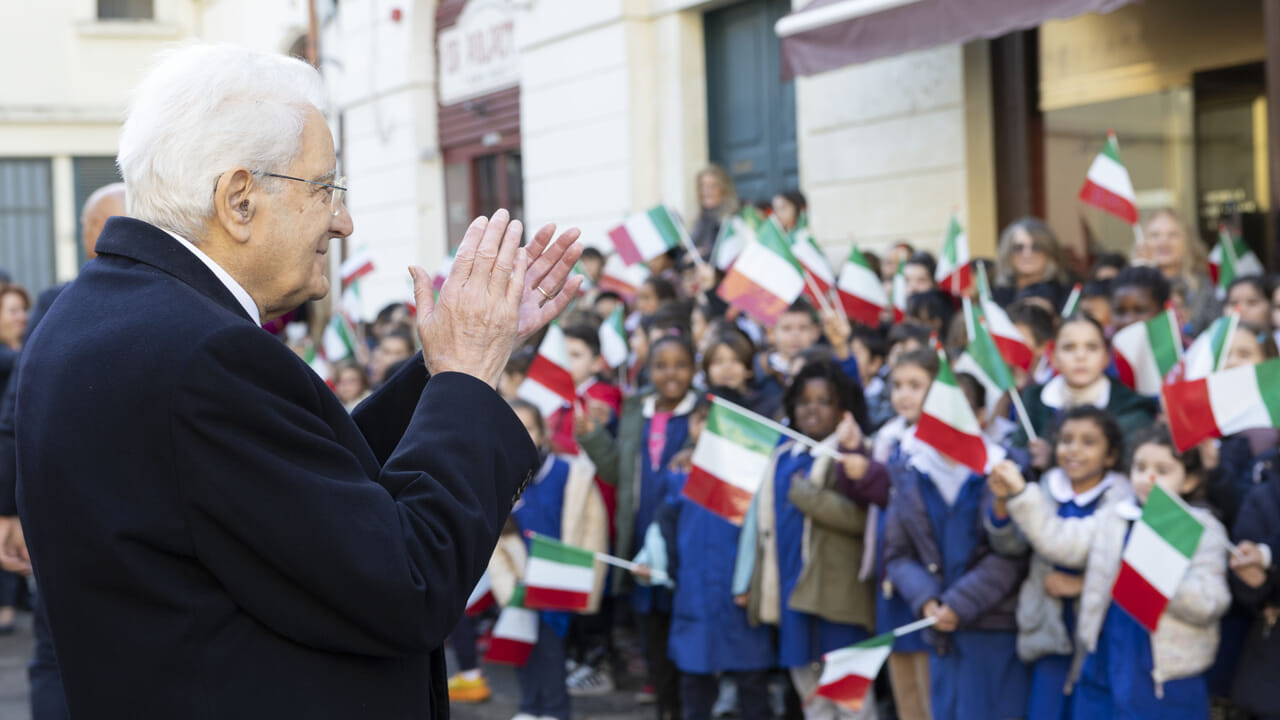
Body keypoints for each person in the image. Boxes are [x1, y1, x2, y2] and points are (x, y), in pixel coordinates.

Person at [14, 44, 583, 718]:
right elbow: (408, 583)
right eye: (326, 189)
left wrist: (445, 363)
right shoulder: (203, 355)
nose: (343, 221)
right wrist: (465, 383)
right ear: (239, 199)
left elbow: (302, 488)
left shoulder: (95, 313)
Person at [990, 426, 1231, 719]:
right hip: (1103, 664)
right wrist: (1021, 493)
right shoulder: (1117, 517)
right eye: (1140, 467)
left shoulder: (1200, 529)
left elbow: (1211, 603)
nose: (1148, 478)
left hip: (1162, 679)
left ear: (1190, 480)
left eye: (1163, 470)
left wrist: (1158, 571)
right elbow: (1059, 542)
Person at [0, 182, 126, 720]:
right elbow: (16, 416)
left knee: (62, 656)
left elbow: (15, 416)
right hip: (100, 517)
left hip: (83, 513)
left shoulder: (60, 303)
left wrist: (11, 510)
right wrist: (10, 509)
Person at [734, 361, 886, 720]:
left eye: (824, 401)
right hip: (792, 595)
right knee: (813, 701)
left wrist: (808, 497)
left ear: (842, 409)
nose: (811, 408)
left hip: (837, 600)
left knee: (852, 706)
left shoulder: (854, 454)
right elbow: (760, 528)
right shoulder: (783, 457)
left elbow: (864, 520)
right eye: (803, 401)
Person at [883, 369, 1030, 720]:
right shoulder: (909, 473)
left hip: (993, 627)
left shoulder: (1005, 470)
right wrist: (927, 600)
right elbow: (898, 554)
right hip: (938, 630)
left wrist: (959, 603)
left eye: (961, 409)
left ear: (981, 416)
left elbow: (1011, 553)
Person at [576, 333, 700, 718]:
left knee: (687, 639)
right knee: (652, 638)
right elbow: (618, 471)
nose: (671, 374)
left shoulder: (704, 413)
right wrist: (594, 438)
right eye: (661, 366)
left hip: (686, 543)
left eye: (680, 365)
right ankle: (666, 708)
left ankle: (688, 708)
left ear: (694, 370)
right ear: (649, 370)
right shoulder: (635, 409)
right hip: (641, 538)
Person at [986, 407, 1130, 720]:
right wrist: (1002, 503)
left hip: (1097, 641)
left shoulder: (1121, 500)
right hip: (1049, 633)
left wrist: (1082, 585)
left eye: (1088, 442)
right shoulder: (1049, 487)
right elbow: (1013, 545)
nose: (1074, 449)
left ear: (1111, 455)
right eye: (1066, 440)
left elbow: (1070, 548)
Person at [1011, 313, 1157, 467]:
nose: (1080, 356)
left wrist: (1054, 458)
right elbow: (1018, 452)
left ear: (1106, 357)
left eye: (1092, 347)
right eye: (1069, 347)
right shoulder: (1034, 398)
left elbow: (1131, 464)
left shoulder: (1131, 407)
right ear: (1053, 358)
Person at [1138, 208, 1219, 335]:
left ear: (1186, 241)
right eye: (1155, 235)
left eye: (1172, 235)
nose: (1163, 242)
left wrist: (1187, 324)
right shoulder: (1132, 284)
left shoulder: (1201, 285)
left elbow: (1214, 332)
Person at [992, 218, 1071, 310]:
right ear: (1007, 254)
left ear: (1050, 253)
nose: (1027, 254)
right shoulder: (996, 295)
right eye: (1018, 247)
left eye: (1036, 247)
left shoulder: (1067, 296)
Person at [690, 165, 739, 261]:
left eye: (712, 186)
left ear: (724, 190)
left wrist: (700, 256)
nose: (706, 191)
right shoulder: (701, 220)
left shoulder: (732, 221)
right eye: (702, 186)